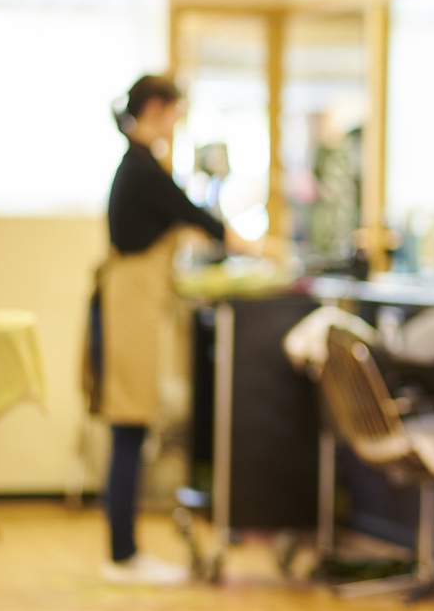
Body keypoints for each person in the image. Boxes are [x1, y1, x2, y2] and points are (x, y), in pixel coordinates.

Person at [95, 75, 259, 585]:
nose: (177, 121)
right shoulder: (142, 168)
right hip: (129, 309)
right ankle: (123, 555)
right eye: (175, 111)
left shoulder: (141, 163)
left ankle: (124, 550)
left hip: (135, 306)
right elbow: (196, 216)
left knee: (132, 426)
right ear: (157, 108)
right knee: (130, 427)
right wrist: (255, 247)